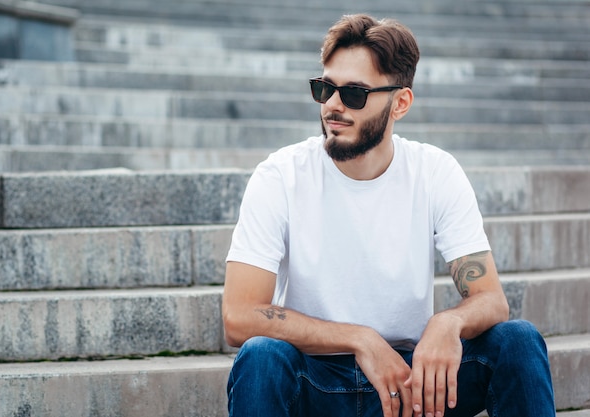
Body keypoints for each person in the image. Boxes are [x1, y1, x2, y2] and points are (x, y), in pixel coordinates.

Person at [222, 14, 556, 417]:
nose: (333, 105)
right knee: (261, 358)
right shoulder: (281, 176)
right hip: (316, 381)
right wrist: (361, 339)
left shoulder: (435, 172)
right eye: (325, 88)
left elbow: (491, 301)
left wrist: (447, 324)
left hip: (413, 385)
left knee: (517, 340)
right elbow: (239, 316)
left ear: (400, 103)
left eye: (355, 94)